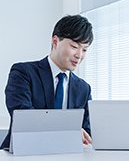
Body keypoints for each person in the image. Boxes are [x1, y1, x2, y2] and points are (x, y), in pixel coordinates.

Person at [0, 15, 94, 149]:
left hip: (66, 154)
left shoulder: (84, 88)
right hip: (23, 152)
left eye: (84, 49)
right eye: (74, 46)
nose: (79, 55)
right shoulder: (23, 73)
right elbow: (24, 116)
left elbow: (87, 132)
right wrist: (67, 129)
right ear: (55, 41)